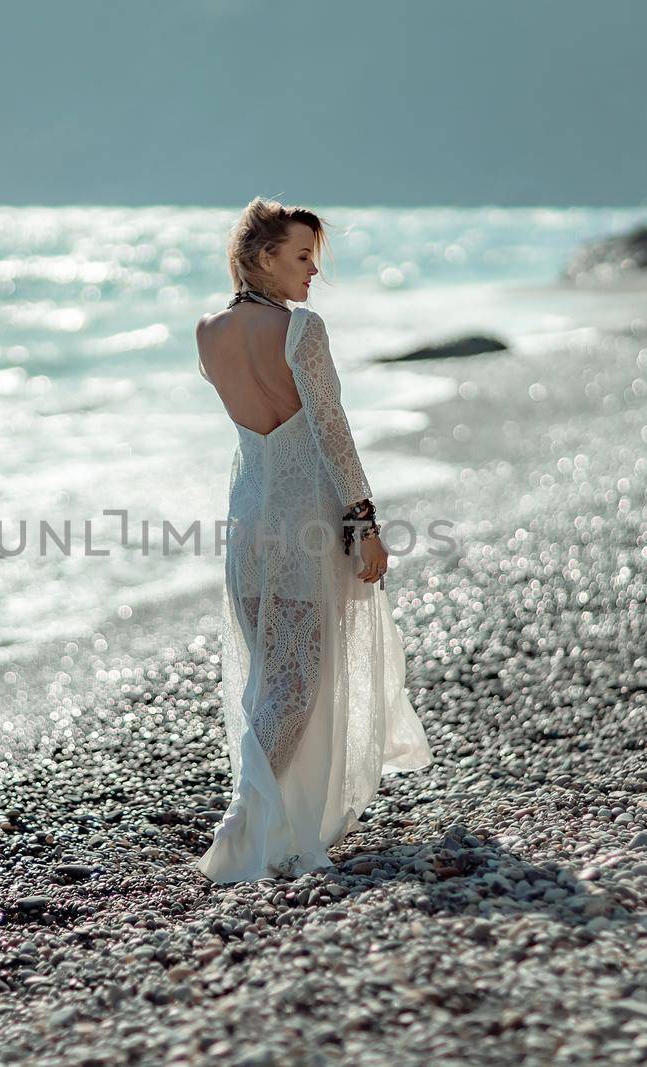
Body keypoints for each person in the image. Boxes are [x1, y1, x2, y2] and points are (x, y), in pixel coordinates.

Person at [192, 197, 433, 883]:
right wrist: (365, 523)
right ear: (264, 256)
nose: (313, 273)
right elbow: (330, 428)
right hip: (306, 519)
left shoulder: (207, 332)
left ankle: (271, 826)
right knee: (296, 685)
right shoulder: (302, 329)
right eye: (302, 257)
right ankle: (244, 824)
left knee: (272, 678)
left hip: (247, 520)